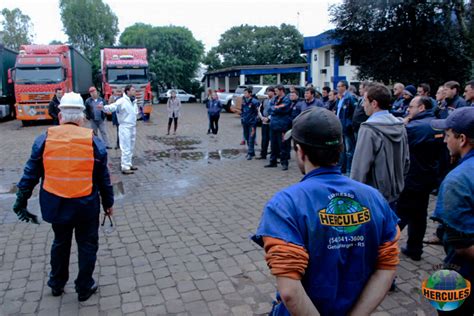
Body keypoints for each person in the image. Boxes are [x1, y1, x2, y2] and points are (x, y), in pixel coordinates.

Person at [252, 106, 400, 315]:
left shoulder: (285, 204)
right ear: (340, 149)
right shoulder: (374, 197)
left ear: (300, 152)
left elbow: (290, 292)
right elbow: (387, 267)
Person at [12, 92, 114, 302]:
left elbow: (31, 173)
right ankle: (84, 287)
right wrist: (108, 204)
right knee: (87, 244)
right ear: (82, 118)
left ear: (60, 116)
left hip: (56, 204)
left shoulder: (45, 139)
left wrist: (21, 199)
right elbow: (104, 179)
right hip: (85, 205)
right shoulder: (93, 142)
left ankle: (57, 283)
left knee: (60, 242)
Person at [430, 107, 474, 315]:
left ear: (462, 139)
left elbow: (462, 246)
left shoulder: (457, 180)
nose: (444, 141)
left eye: (447, 135)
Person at [396, 96, 444, 261]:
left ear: (422, 108)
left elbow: (399, 141)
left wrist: (404, 123)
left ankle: (384, 247)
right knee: (419, 214)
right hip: (428, 177)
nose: (408, 109)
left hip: (413, 176)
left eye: (411, 106)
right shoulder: (438, 124)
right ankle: (415, 249)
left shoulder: (415, 127)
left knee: (400, 214)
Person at [351, 83, 410, 210]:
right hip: (394, 194)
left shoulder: (369, 129)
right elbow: (406, 162)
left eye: (365, 101)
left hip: (373, 197)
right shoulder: (400, 125)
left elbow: (359, 168)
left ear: (374, 103)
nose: (362, 105)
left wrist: (354, 197)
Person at [104, 85, 139, 175]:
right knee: (125, 147)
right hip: (125, 126)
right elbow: (113, 107)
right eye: (133, 90)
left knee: (131, 146)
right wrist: (104, 108)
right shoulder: (122, 101)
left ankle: (129, 163)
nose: (134, 91)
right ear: (127, 91)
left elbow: (135, 113)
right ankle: (125, 166)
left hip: (132, 126)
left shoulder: (134, 102)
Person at [266, 85, 292, 170]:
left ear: (281, 91)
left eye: (276, 91)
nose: (275, 92)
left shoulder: (287, 99)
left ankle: (284, 163)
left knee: (282, 146)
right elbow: (269, 109)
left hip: (282, 126)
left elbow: (284, 109)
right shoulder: (274, 99)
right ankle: (272, 162)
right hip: (273, 125)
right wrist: (276, 108)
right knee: (273, 145)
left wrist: (276, 108)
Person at [336, 80, 357, 174]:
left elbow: (355, 112)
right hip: (341, 128)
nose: (337, 88)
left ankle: (349, 170)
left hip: (347, 128)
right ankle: (342, 168)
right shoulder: (341, 98)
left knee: (349, 150)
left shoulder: (350, 97)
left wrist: (349, 124)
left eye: (339, 86)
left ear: (344, 87)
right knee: (342, 150)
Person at [241, 87, 260, 160]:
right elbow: (242, 111)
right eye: (244, 93)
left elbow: (258, 112)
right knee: (246, 137)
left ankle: (250, 153)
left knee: (251, 138)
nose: (244, 94)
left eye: (246, 93)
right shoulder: (244, 101)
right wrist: (242, 118)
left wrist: (255, 120)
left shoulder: (255, 102)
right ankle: (251, 152)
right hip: (245, 122)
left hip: (252, 123)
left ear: (250, 93)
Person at [257, 86, 275, 160]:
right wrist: (262, 118)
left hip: (272, 123)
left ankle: (274, 156)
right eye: (267, 91)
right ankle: (263, 154)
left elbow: (275, 111)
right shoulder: (265, 100)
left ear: (273, 92)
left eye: (269, 91)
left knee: (273, 140)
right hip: (264, 123)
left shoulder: (276, 101)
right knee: (264, 139)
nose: (268, 93)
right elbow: (260, 110)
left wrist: (269, 118)